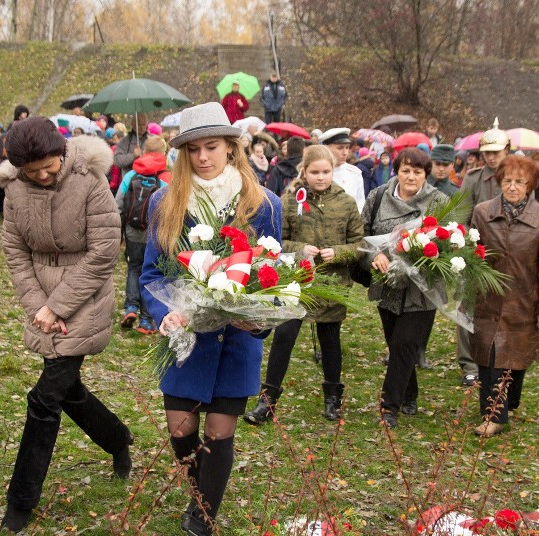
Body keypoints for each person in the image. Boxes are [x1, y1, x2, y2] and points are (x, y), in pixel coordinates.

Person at [140, 102, 281, 536]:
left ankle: (203, 514)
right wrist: (166, 314)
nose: (203, 157)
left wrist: (257, 320)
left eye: (212, 147)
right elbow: (149, 273)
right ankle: (200, 491)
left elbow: (275, 276)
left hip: (236, 341)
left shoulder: (263, 203)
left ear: (231, 147)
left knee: (219, 433)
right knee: (181, 430)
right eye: (194, 150)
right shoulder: (165, 202)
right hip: (186, 340)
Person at [0, 117, 133, 533]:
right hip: (42, 302)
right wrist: (39, 305)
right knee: (67, 391)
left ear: (60, 151)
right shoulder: (15, 190)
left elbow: (105, 252)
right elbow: (16, 253)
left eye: (47, 166)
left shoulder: (89, 180)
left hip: (84, 298)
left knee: (44, 397)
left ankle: (20, 503)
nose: (41, 175)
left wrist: (58, 307)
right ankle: (118, 439)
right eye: (31, 170)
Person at [244, 144, 362, 425]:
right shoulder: (290, 201)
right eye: (315, 172)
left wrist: (339, 252)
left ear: (334, 171)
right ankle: (268, 401)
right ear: (304, 171)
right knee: (284, 337)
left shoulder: (346, 203)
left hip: (331, 283)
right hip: (296, 281)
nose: (320, 177)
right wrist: (299, 249)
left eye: (326, 172)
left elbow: (359, 243)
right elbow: (277, 240)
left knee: (330, 340)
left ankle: (333, 398)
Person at [470, 155, 539, 437]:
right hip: (488, 297)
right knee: (490, 357)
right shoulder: (483, 212)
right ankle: (493, 416)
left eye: (520, 182)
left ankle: (508, 402)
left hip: (524, 299)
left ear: (530, 185)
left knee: (517, 359)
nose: (512, 187)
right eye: (507, 180)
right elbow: (474, 253)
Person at [363, 148, 448, 429]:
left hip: (422, 289)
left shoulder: (438, 202)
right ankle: (410, 392)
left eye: (417, 172)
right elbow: (361, 236)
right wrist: (373, 255)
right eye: (406, 170)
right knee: (396, 342)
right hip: (387, 284)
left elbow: (450, 243)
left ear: (426, 174)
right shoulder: (377, 197)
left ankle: (390, 406)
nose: (411, 177)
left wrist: (424, 257)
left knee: (405, 343)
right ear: (396, 171)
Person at [457, 120, 510, 387]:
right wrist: (468, 242)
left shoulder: (516, 177)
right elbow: (461, 216)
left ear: (507, 151)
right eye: (486, 152)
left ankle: (502, 358)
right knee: (468, 307)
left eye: (496, 152)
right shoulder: (473, 178)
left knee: (505, 307)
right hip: (475, 252)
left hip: (510, 255)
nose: (490, 157)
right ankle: (469, 364)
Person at [116, 135, 171, 334]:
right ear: (163, 153)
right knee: (151, 274)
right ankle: (147, 320)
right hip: (154, 234)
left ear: (145, 151)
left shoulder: (131, 175)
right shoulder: (165, 177)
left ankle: (131, 307)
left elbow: (118, 203)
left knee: (134, 267)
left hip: (132, 231)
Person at [320, 127, 365, 212]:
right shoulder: (316, 173)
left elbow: (360, 204)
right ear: (326, 148)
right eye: (340, 148)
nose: (345, 153)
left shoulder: (354, 173)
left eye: (347, 147)